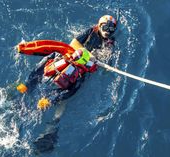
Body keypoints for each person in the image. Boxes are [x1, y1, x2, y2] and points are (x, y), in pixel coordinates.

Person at [16, 15, 117, 153]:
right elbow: (74, 43)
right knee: (47, 62)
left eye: (111, 29)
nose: (108, 31)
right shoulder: (90, 32)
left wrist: (101, 59)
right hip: (71, 56)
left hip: (82, 69)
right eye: (105, 27)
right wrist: (87, 53)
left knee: (69, 92)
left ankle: (51, 126)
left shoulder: (110, 42)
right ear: (99, 25)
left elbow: (106, 62)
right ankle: (26, 87)